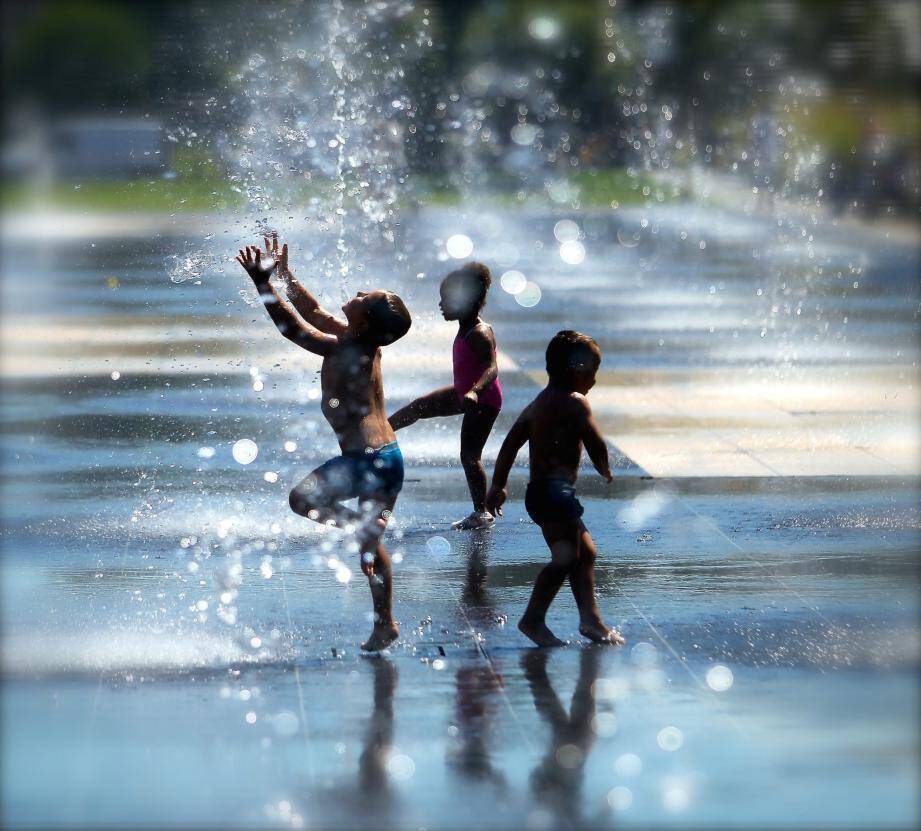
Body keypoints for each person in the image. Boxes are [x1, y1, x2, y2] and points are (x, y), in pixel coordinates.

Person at [235, 234, 411, 651]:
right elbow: (312, 310)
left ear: (364, 320)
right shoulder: (360, 341)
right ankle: (385, 621)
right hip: (389, 457)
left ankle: (359, 527)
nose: (358, 292)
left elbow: (294, 328)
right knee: (372, 541)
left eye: (364, 297)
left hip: (363, 460)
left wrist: (263, 284)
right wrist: (286, 276)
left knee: (302, 500)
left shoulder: (342, 348)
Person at [485, 330, 623, 647]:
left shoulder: (537, 404)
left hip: (542, 494)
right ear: (577, 371)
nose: (594, 381)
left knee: (585, 553)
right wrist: (604, 465)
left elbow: (509, 446)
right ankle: (533, 619)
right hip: (554, 495)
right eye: (593, 372)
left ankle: (591, 620)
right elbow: (594, 440)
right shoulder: (577, 403)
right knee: (565, 558)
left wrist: (499, 485)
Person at [388, 262, 502, 530]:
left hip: (482, 400)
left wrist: (475, 391)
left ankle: (481, 513)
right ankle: (381, 432)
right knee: (418, 407)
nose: (441, 304)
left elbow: (492, 368)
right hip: (463, 393)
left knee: (469, 455)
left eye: (446, 299)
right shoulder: (464, 327)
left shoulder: (479, 332)